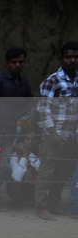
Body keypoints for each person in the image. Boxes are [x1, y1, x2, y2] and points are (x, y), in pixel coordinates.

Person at [0, 47, 33, 217]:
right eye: (14, 62)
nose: (17, 65)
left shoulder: (23, 84)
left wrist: (23, 122)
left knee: (3, 169)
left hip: (11, 134)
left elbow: (31, 103)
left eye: (20, 62)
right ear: (7, 64)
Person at [34, 41, 78, 221]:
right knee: (47, 171)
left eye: (75, 57)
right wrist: (52, 134)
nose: (72, 60)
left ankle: (52, 204)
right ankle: (41, 207)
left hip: (71, 136)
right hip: (53, 135)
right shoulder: (52, 81)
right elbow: (44, 109)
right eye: (68, 57)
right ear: (62, 58)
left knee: (63, 172)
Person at [7, 132, 40, 209]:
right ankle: (17, 203)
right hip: (18, 188)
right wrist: (24, 156)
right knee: (15, 178)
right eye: (27, 139)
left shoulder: (40, 153)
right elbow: (17, 177)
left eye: (33, 139)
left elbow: (40, 168)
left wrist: (29, 154)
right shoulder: (15, 155)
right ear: (22, 141)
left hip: (33, 188)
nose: (30, 142)